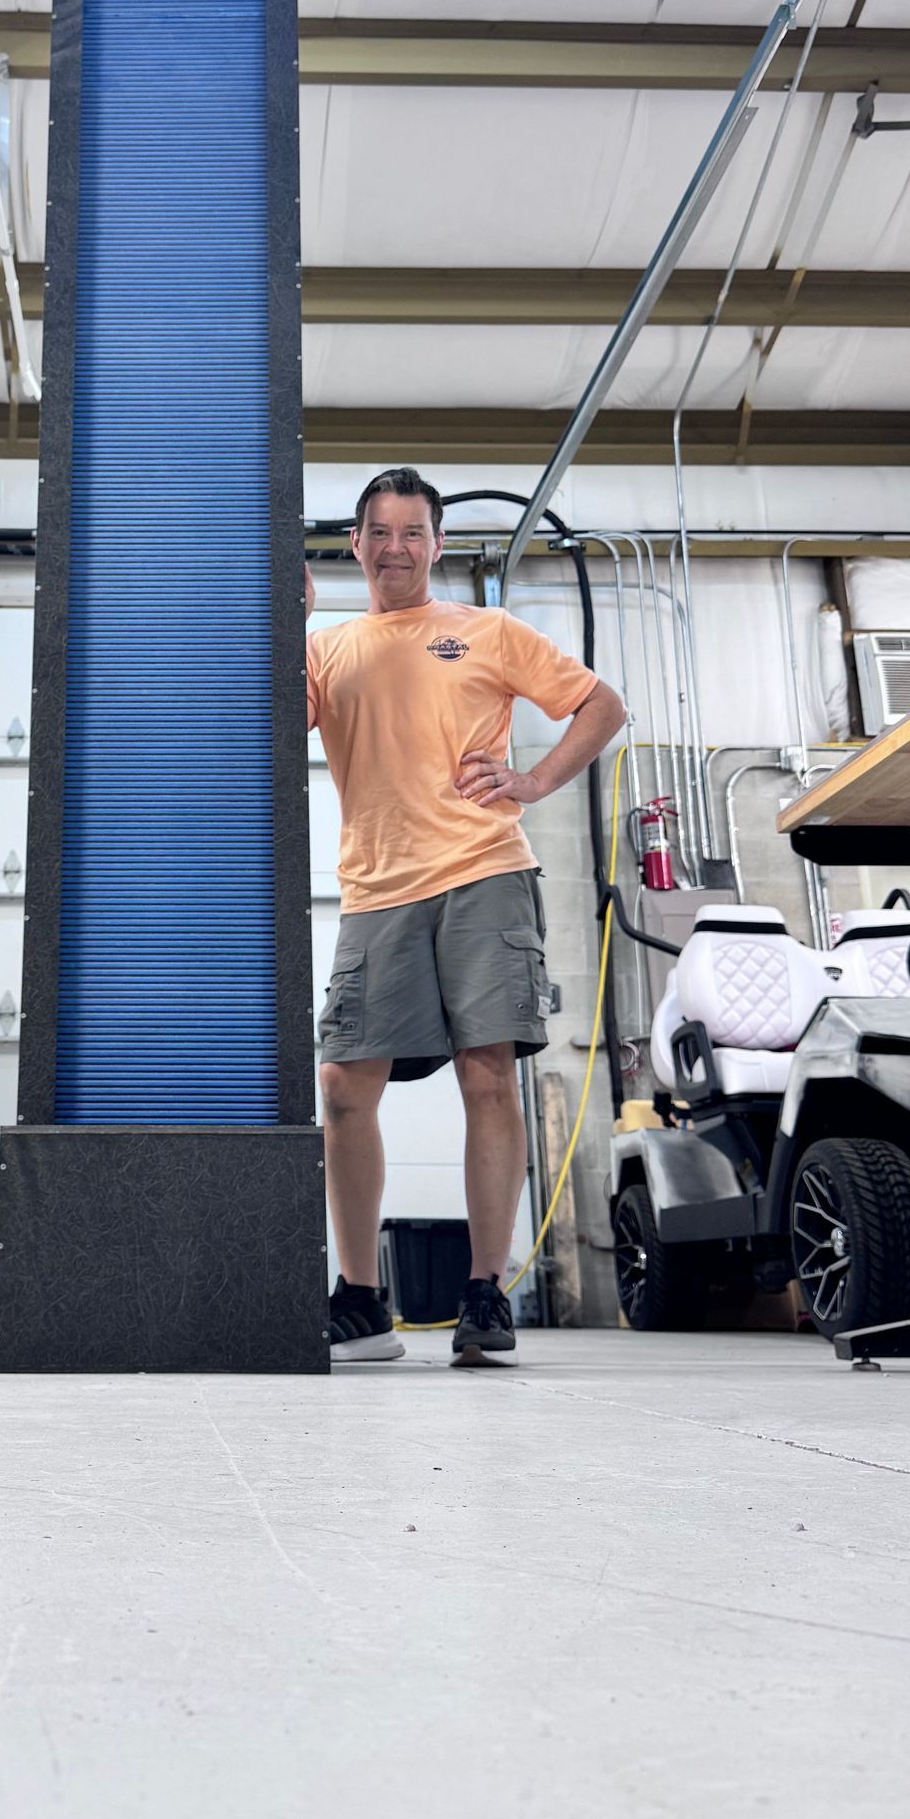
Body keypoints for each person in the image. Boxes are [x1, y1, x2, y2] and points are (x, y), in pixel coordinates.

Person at [306, 468, 625, 1365]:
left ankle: (486, 1292)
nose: (397, 547)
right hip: (378, 888)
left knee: (486, 1078)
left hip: (484, 873)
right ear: (358, 544)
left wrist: (533, 781)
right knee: (341, 1091)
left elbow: (602, 706)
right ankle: (363, 1301)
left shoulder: (484, 632)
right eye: (381, 531)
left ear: (437, 545)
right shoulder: (329, 651)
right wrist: (276, 624)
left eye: (415, 532)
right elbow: (263, 722)